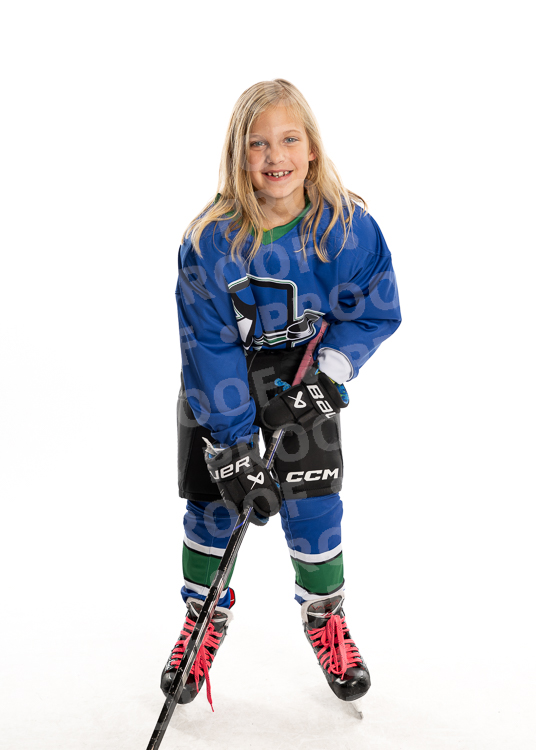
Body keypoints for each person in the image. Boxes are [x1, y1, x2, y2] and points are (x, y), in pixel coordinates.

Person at [160, 79, 402, 711]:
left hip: (303, 381)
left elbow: (374, 308)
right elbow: (208, 346)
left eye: (290, 139)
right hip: (221, 385)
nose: (276, 156)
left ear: (312, 148)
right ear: (238, 155)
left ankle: (325, 616)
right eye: (258, 143)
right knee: (214, 507)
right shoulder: (209, 241)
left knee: (315, 502)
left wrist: (331, 371)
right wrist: (232, 447)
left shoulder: (347, 228)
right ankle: (203, 616)